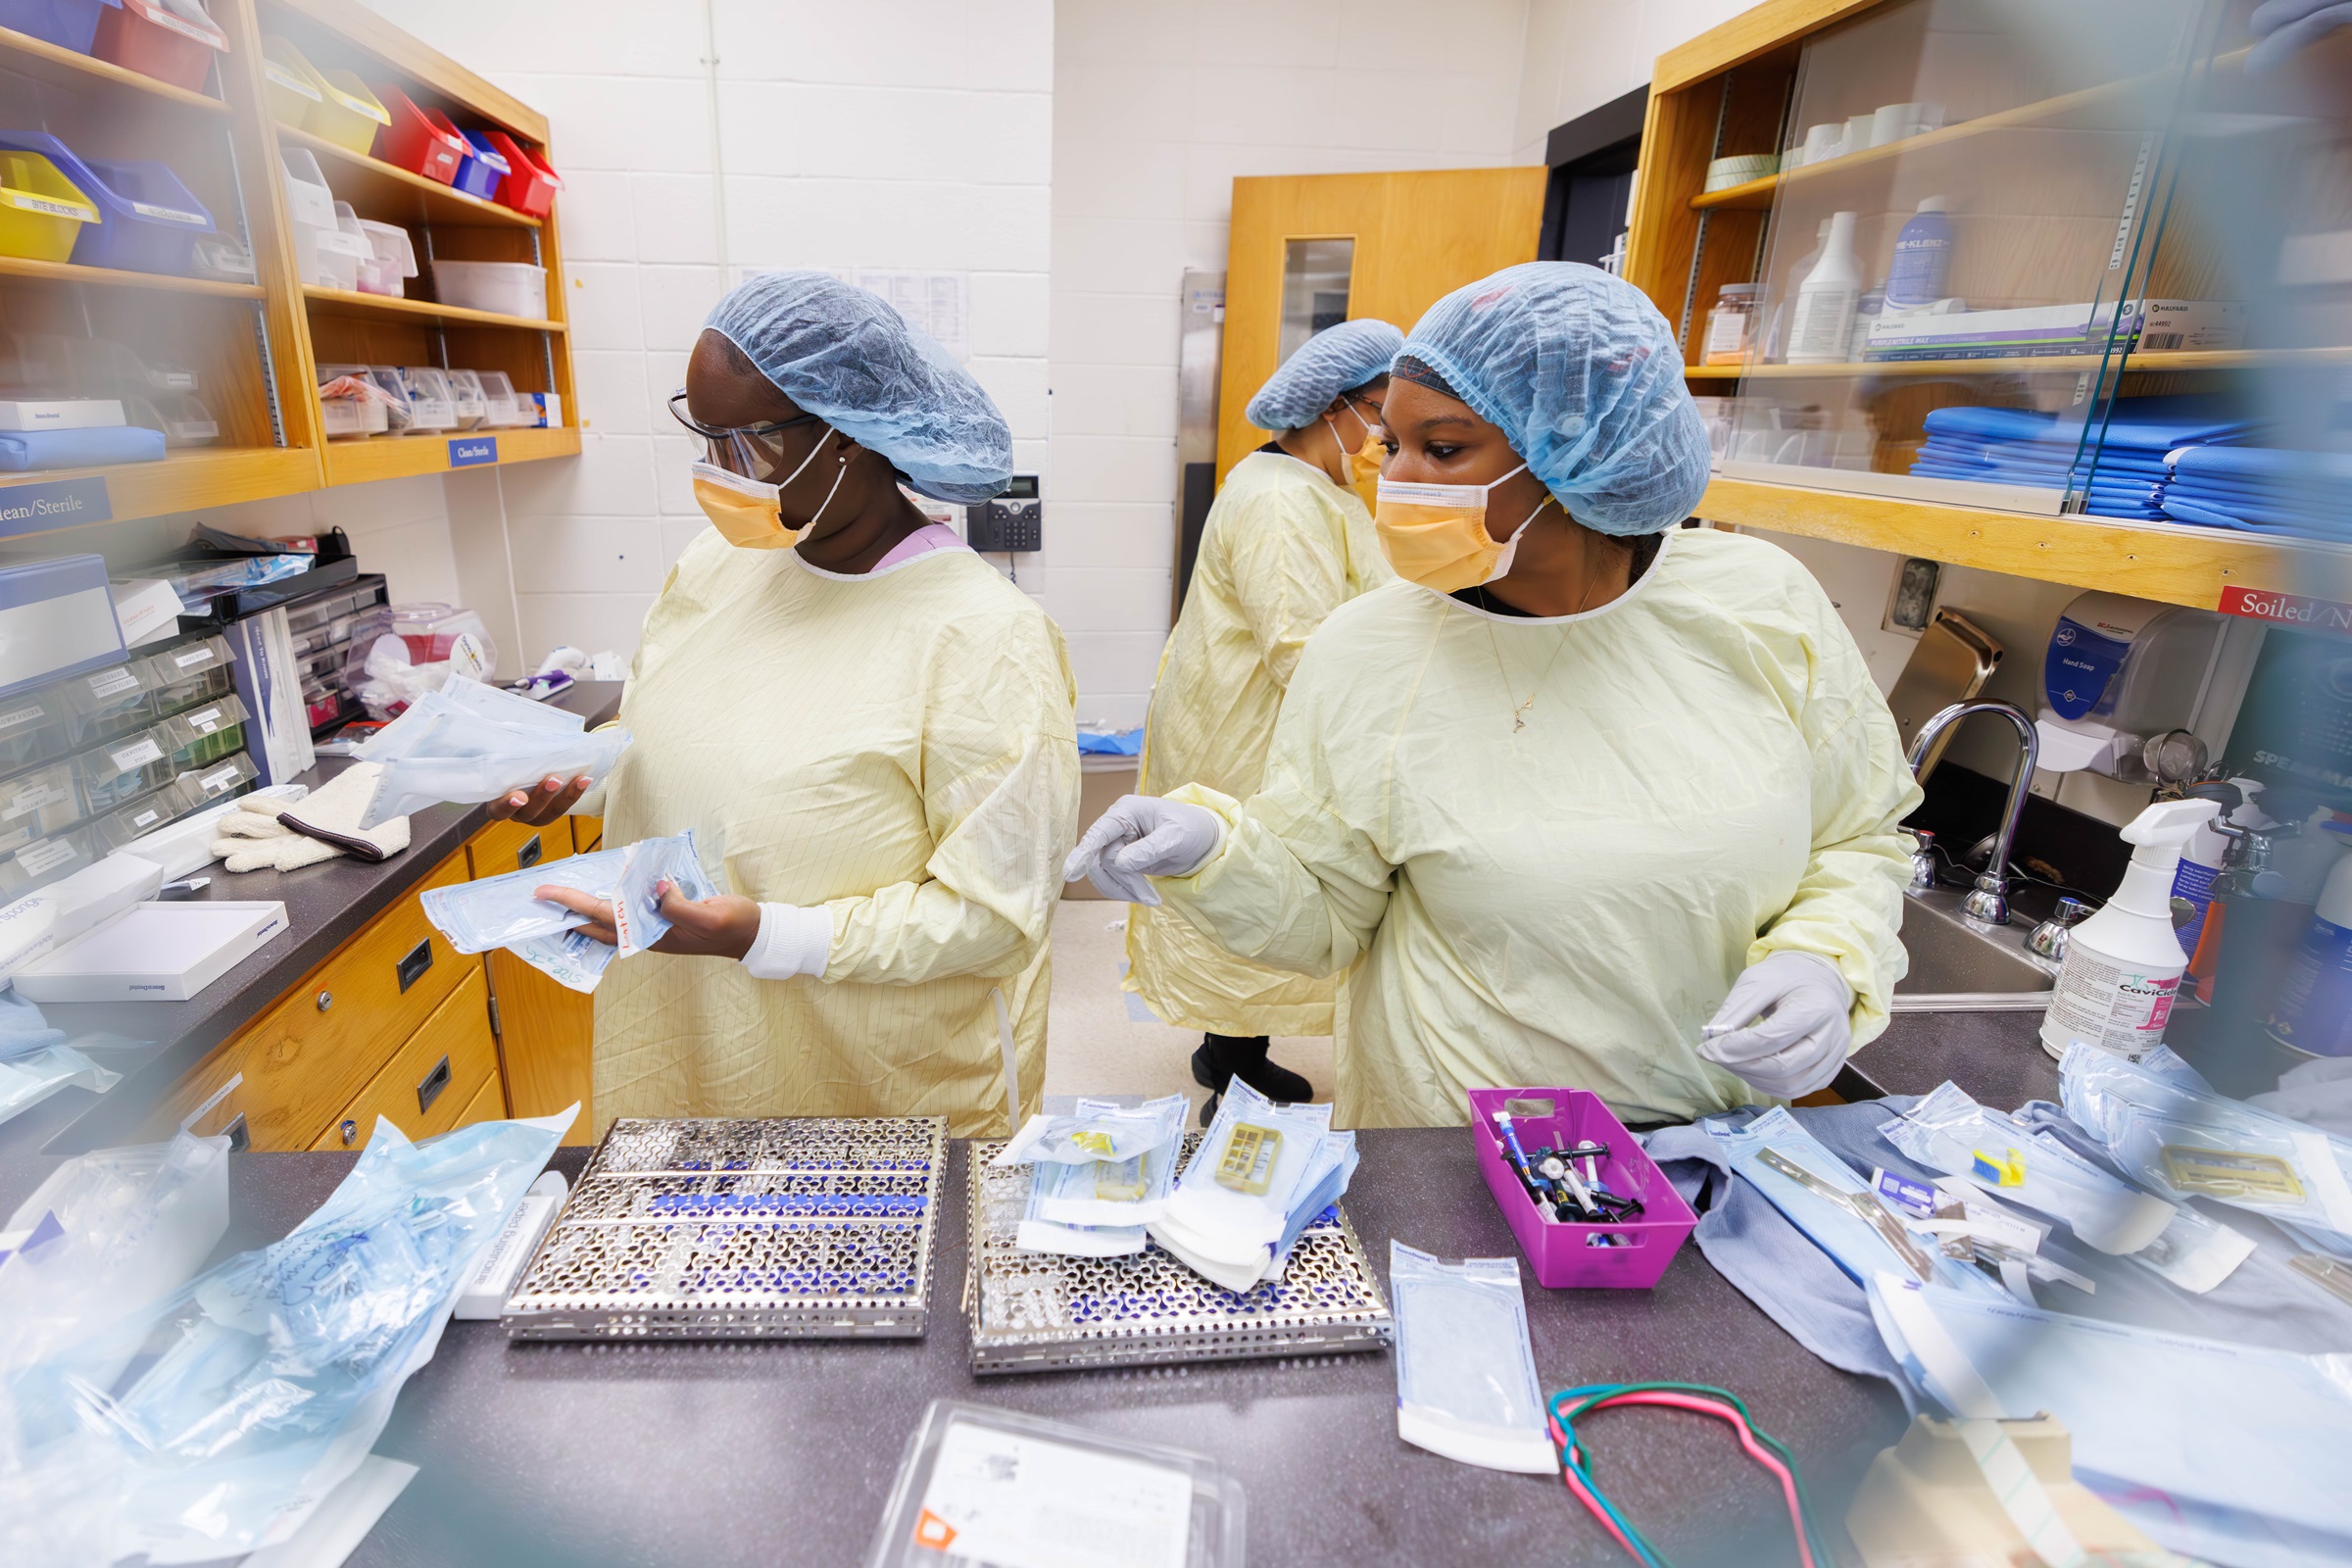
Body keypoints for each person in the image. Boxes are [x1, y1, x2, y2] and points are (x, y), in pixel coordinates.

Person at [1066, 263, 1921, 1128]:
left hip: (1713, 1137)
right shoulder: (1369, 651)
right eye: (1389, 447)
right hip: (1451, 1144)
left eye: (1441, 449)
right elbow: (1326, 912)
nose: (1395, 482)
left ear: (1578, 449)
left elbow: (1857, 836)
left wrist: (1826, 959)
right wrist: (1214, 849)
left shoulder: (1761, 605)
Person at [494, 270, 1080, 1136]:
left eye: (747, 446)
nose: (716, 473)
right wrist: (584, 780)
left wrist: (768, 935)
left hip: (875, 1087)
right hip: (683, 1041)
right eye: (705, 438)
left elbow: (994, 917)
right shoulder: (717, 567)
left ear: (850, 438)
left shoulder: (982, 638)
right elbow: (681, 729)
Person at [1128, 318, 1401, 1121]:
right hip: (1250, 725)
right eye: (1381, 412)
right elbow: (1299, 643)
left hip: (1252, 715)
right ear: (1335, 406)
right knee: (1249, 888)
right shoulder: (1282, 500)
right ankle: (1235, 1084)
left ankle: (1226, 1054)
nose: (1388, 433)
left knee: (1250, 883)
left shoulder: (1319, 486)